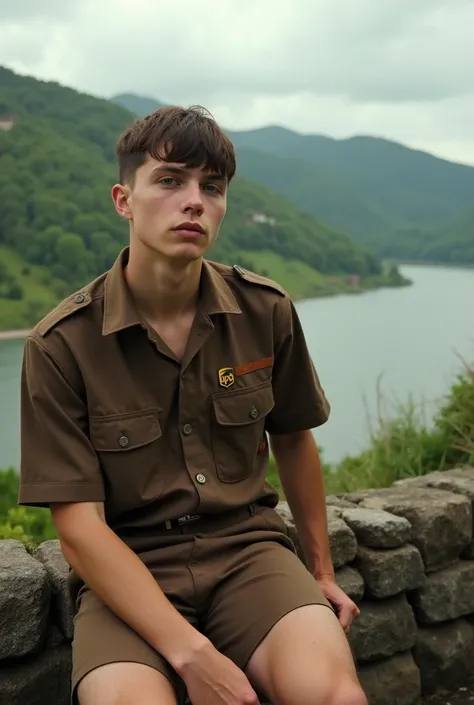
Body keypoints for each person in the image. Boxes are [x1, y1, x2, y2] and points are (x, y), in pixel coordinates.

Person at [18, 105, 366, 705]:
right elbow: (77, 527)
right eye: (170, 180)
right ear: (124, 200)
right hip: (128, 571)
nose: (195, 201)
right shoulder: (61, 344)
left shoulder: (266, 310)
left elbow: (292, 437)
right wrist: (193, 654)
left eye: (213, 186)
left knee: (332, 693)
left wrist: (321, 570)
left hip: (250, 552)